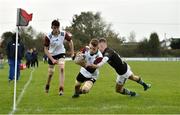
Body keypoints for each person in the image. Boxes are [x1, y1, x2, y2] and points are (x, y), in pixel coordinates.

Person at [43, 19, 74, 95]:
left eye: (57, 28)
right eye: (54, 28)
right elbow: (46, 50)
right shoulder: (48, 37)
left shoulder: (63, 33)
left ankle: (61, 89)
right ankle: (47, 85)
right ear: (51, 27)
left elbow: (70, 41)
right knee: (50, 73)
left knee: (62, 68)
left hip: (61, 53)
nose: (56, 30)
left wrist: (72, 52)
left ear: (59, 27)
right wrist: (52, 59)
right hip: (52, 54)